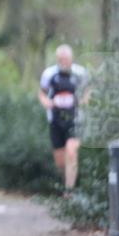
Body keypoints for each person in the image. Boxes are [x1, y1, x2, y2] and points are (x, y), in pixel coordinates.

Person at [38, 44, 89, 192]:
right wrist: (47, 103)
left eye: (66, 59)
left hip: (75, 119)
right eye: (61, 59)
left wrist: (82, 102)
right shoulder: (49, 74)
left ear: (71, 58)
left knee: (71, 151)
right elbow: (42, 93)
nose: (63, 61)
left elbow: (88, 92)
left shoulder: (80, 73)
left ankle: (70, 191)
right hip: (55, 120)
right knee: (60, 161)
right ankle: (66, 182)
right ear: (57, 59)